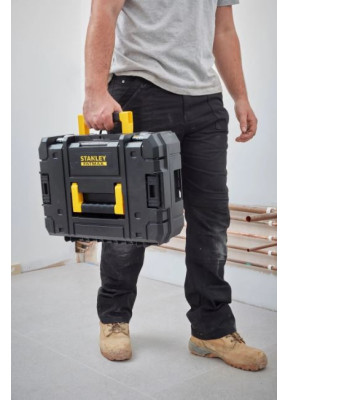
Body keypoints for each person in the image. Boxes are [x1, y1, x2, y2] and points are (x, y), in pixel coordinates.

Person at [83, 0, 267, 371]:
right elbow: (104, 10)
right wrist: (95, 91)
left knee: (211, 219)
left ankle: (211, 330)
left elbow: (223, 29)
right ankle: (114, 318)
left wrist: (240, 96)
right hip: (140, 90)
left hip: (205, 100)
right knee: (131, 219)